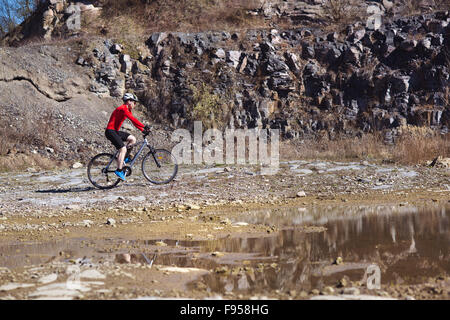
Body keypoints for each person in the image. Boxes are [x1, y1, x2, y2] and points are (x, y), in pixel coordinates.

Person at [105, 93, 149, 181]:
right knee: (123, 149)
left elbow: (133, 122)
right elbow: (133, 119)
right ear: (129, 101)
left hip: (115, 131)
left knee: (132, 139)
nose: (135, 105)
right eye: (134, 102)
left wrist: (142, 130)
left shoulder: (127, 110)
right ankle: (119, 170)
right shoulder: (123, 108)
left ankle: (125, 158)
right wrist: (144, 126)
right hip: (110, 131)